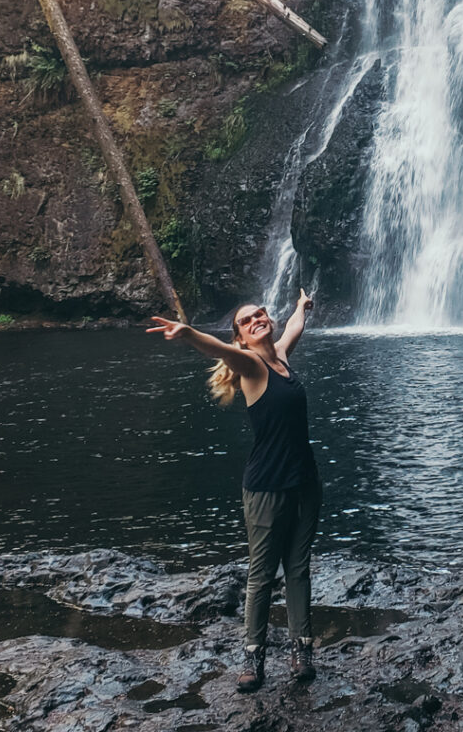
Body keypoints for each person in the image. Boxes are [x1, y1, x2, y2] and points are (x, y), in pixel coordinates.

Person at [147, 289, 321, 693]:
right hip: (266, 486)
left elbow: (294, 328)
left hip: (306, 482)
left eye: (261, 314)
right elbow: (215, 350)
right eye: (247, 320)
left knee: (298, 568)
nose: (257, 318)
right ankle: (252, 656)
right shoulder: (250, 364)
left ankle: (302, 651)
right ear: (240, 337)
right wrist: (188, 332)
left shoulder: (280, 356)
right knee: (261, 576)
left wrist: (301, 307)